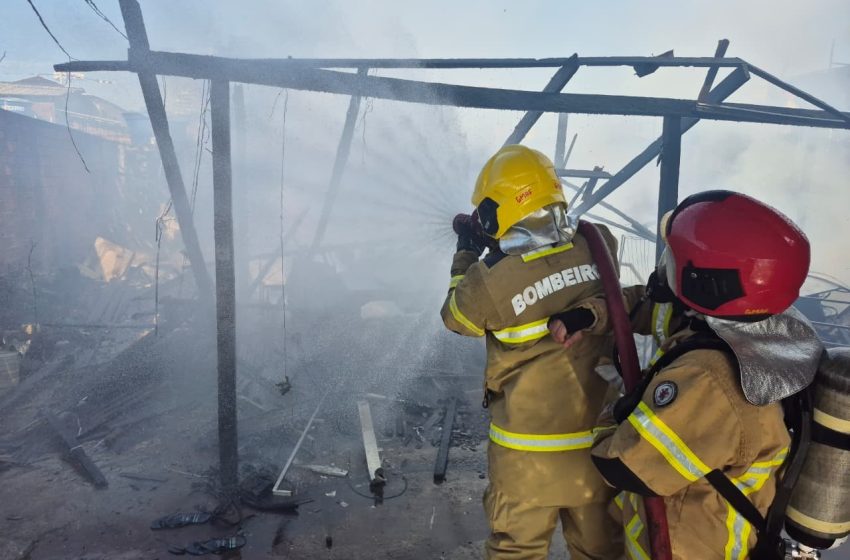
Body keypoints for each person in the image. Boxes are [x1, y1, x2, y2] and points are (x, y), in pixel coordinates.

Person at [551, 190, 822, 560]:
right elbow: (649, 305)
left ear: (706, 281)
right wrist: (590, 315)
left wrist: (615, 402)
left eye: (674, 259)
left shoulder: (707, 380)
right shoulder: (767, 327)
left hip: (686, 548)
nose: (665, 268)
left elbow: (621, 464)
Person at [440, 144, 623, 560]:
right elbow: (559, 270)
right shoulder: (599, 244)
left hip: (525, 461)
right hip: (596, 452)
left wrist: (466, 254)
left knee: (516, 552)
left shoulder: (486, 283)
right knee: (602, 550)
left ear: (497, 210)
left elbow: (456, 318)